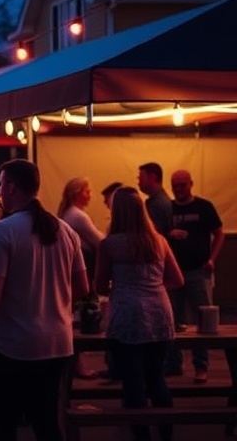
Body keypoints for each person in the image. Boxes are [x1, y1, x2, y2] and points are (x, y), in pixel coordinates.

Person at [0, 159, 88, 441]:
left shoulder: (3, 231)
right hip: (58, 343)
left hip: (13, 345)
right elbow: (83, 287)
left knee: (3, 423)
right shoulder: (65, 231)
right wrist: (50, 295)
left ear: (11, 187)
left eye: (1, 184)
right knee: (46, 421)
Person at [94, 186, 183, 441]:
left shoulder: (109, 245)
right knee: (156, 378)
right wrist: (151, 287)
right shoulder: (159, 241)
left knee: (133, 381)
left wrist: (124, 286)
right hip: (159, 312)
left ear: (116, 211)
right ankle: (166, 434)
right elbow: (176, 280)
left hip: (127, 314)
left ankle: (141, 436)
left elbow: (99, 286)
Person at [165, 169, 224, 383]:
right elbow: (157, 235)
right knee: (173, 319)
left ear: (191, 184)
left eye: (182, 185)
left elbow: (219, 233)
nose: (179, 189)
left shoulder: (204, 206)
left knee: (203, 320)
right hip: (173, 272)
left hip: (198, 270)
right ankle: (174, 364)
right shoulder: (167, 210)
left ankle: (201, 366)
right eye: (175, 185)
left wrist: (212, 259)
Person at [138, 162, 172, 237]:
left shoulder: (155, 205)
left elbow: (154, 235)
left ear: (152, 177)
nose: (138, 183)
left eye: (141, 178)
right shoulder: (164, 200)